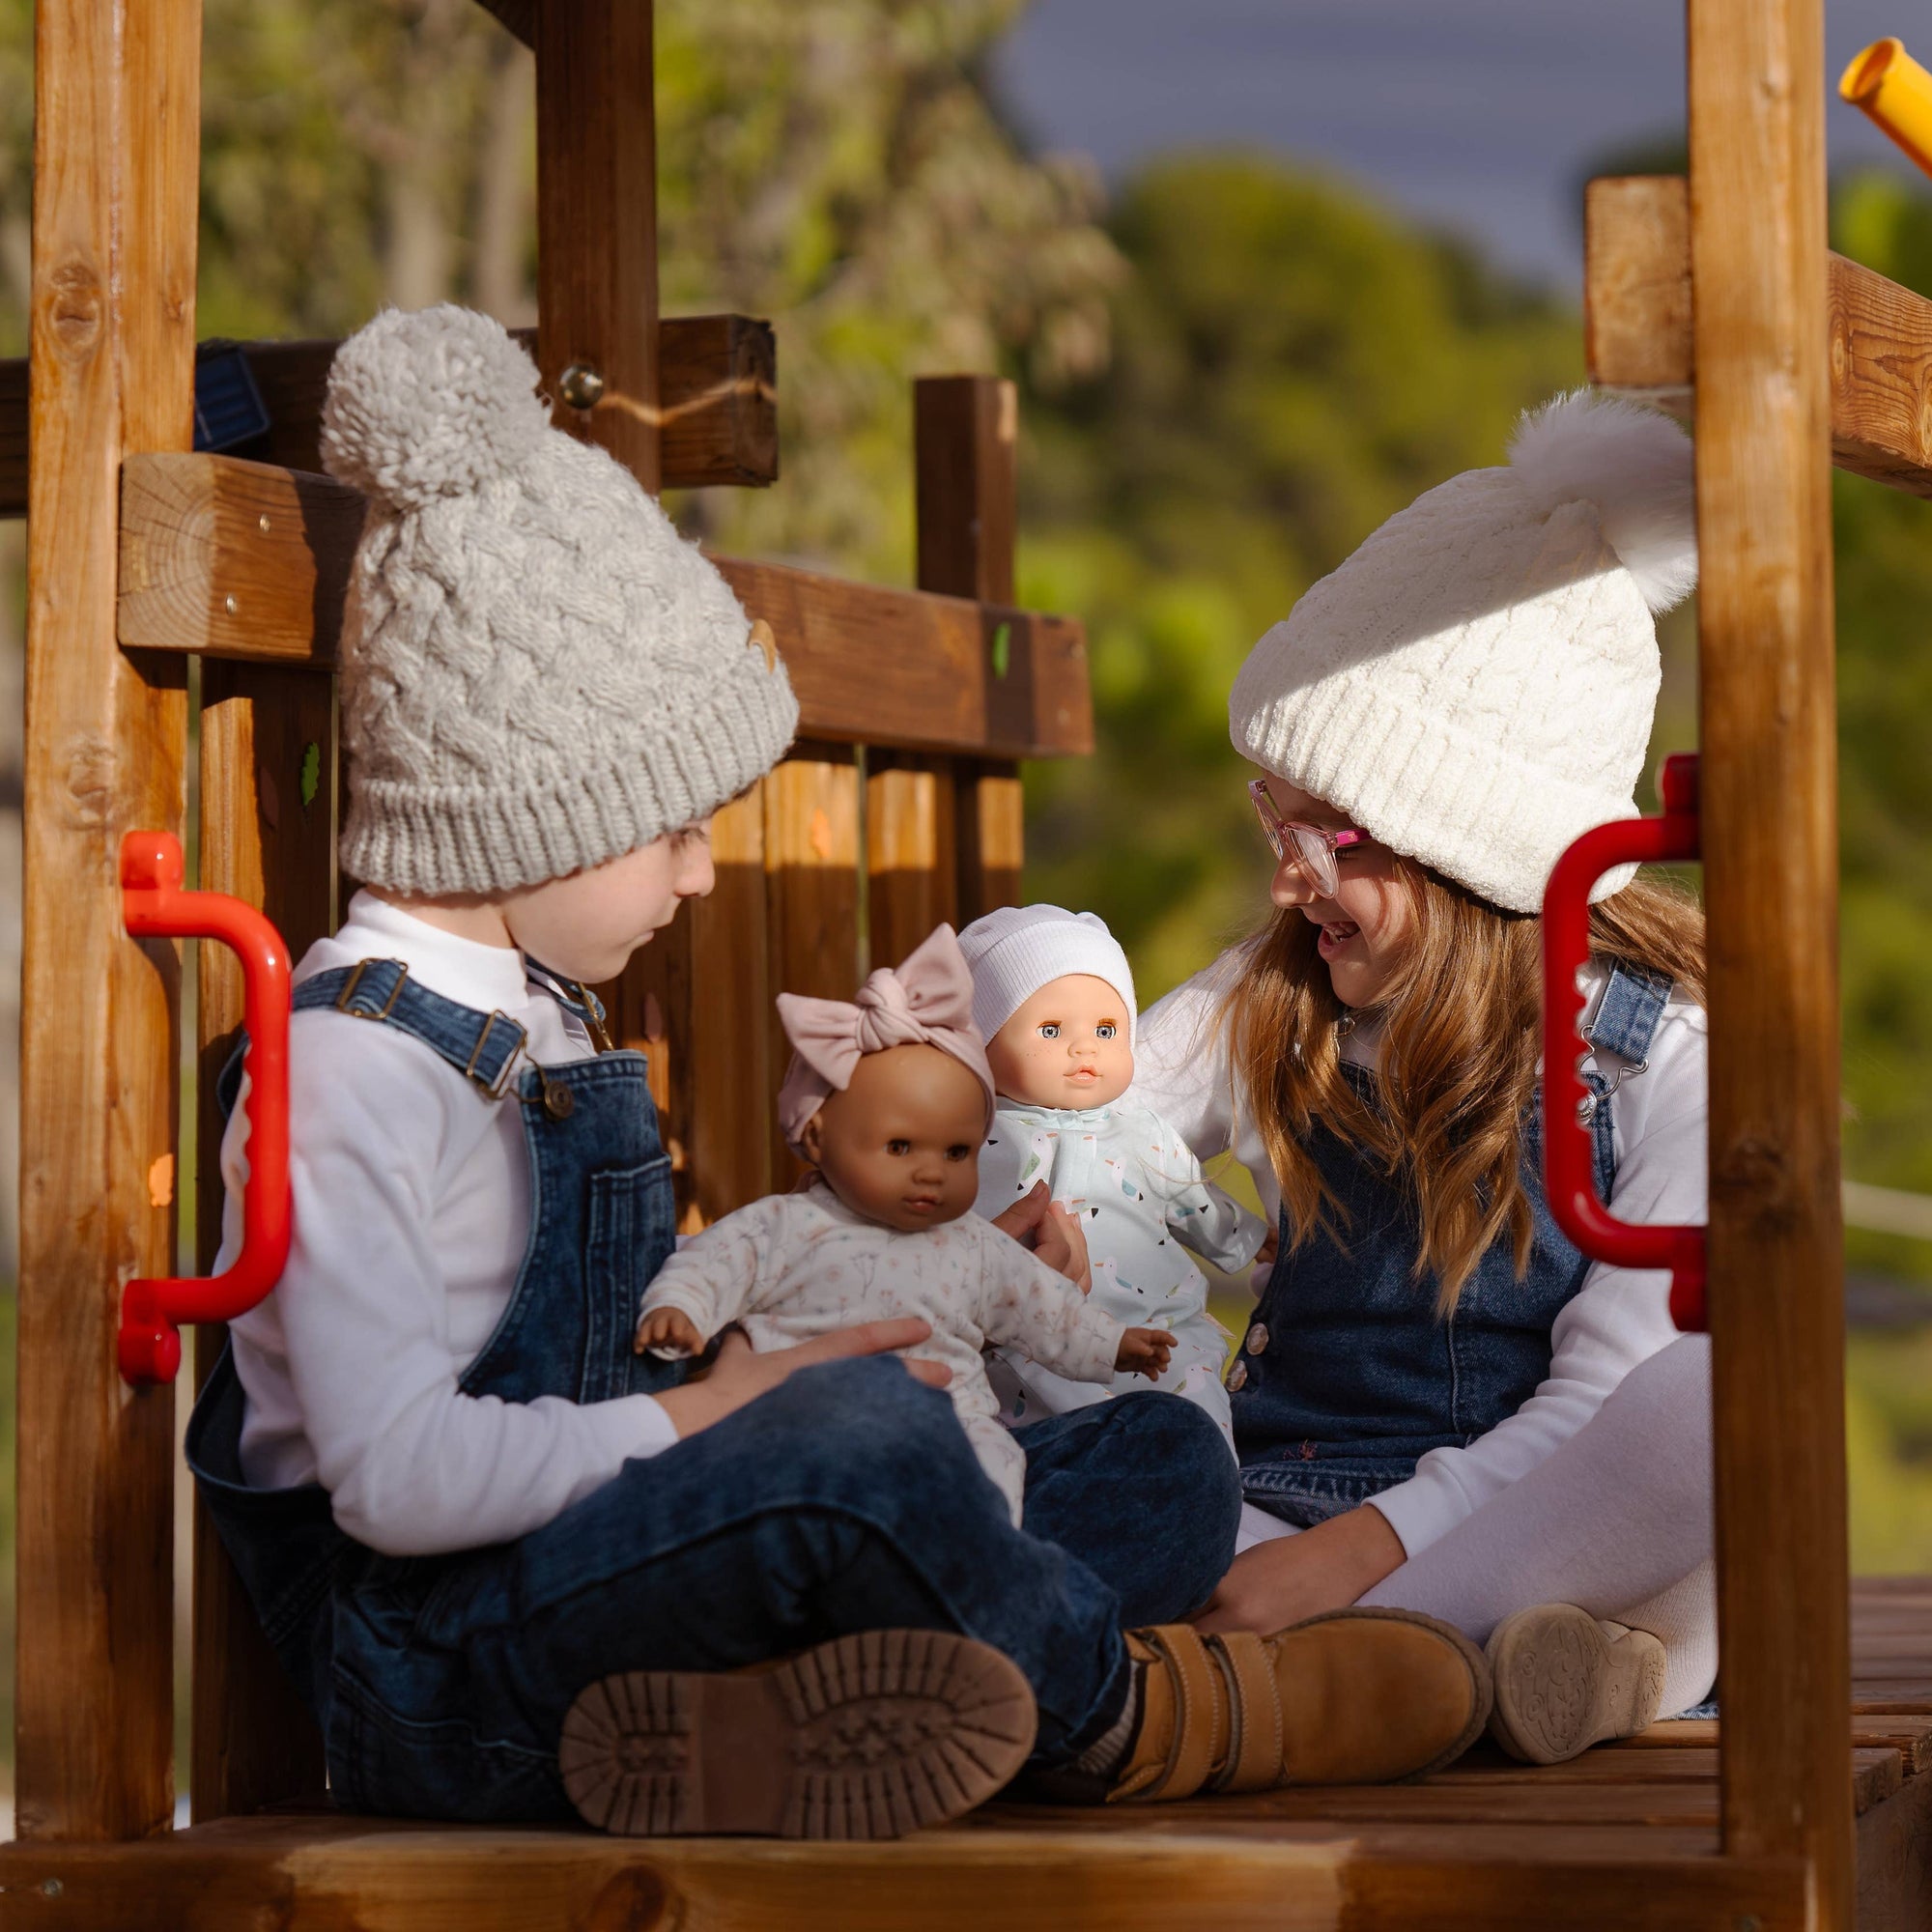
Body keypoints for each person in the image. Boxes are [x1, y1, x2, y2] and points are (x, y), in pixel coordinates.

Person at [185, 303, 1493, 1840]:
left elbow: (600, 1338)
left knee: (1156, 1461)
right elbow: (398, 1481)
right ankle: (1132, 1718)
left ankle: (788, 1726)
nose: (701, 879)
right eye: (677, 830)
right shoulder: (358, 1071)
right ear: (534, 818)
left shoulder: (529, 1012)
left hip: (621, 1594)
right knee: (859, 1437)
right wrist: (728, 1413)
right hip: (446, 1676)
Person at [1138, 390, 1717, 1765]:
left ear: (1467, 847)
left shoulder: (1657, 1055)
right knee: (1093, 1457)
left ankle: (1353, 1669)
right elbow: (1086, 1114)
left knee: (1711, 1420)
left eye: (1322, 835)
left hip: (1514, 1531)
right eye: (1268, 818)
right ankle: (1495, 1683)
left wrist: (1346, 1563)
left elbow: (1607, 1410)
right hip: (1270, 1507)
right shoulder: (1272, 1000)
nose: (1284, 877)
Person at [634, 923, 1178, 1526]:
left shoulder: (972, 1243)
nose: (931, 1174)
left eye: (957, 1153)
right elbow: (712, 1262)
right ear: (815, 1134)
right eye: (899, 1148)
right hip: (813, 1412)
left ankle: (979, 1552)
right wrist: (679, 1309)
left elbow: (1044, 1309)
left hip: (953, 1421)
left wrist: (1114, 1344)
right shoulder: (785, 1225)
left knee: (1001, 1464)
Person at [960, 903, 1266, 1445]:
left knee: (1194, 1427)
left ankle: (1204, 1496)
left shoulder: (1140, 1130)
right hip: (1029, 1351)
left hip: (1159, 1332)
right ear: (979, 1047)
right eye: (1051, 1029)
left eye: (1106, 1028)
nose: (1085, 1047)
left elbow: (1188, 1196)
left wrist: (1250, 1238)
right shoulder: (971, 1143)